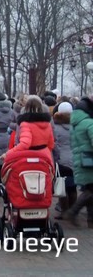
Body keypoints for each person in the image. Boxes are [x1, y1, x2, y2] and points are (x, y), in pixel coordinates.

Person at [67, 96, 93, 227]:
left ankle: (90, 220)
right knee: (91, 190)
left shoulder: (75, 124)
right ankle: (73, 211)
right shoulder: (89, 123)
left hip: (81, 159)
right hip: (90, 159)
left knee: (89, 188)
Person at [52, 101, 76, 218]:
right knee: (72, 187)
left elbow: (53, 144)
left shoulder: (55, 127)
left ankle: (65, 211)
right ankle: (73, 211)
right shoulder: (76, 126)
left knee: (62, 186)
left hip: (60, 160)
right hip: (74, 159)